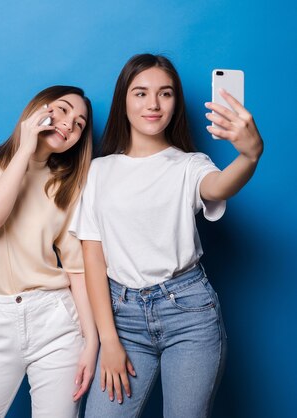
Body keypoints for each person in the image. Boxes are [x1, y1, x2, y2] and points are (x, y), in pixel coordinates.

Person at [70, 54, 263, 417]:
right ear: (123, 100)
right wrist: (109, 340)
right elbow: (92, 257)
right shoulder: (99, 171)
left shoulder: (190, 165)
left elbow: (219, 186)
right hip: (122, 318)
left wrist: (249, 156)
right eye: (140, 93)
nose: (153, 104)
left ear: (176, 103)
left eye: (166, 93)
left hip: (189, 314)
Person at [0, 86, 99, 418]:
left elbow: (77, 269)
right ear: (38, 109)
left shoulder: (66, 186)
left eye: (78, 124)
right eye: (62, 110)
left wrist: (91, 341)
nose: (68, 124)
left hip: (55, 320)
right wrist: (26, 148)